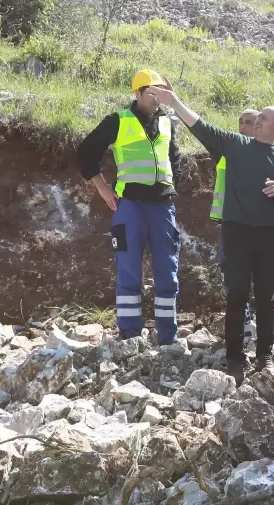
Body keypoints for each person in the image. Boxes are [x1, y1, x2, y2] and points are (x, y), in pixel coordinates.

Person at [154, 87, 274, 383]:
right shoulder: (235, 144)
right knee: (237, 295)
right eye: (257, 118)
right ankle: (234, 359)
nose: (257, 121)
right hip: (237, 234)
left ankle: (264, 356)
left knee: (267, 297)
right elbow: (201, 127)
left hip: (270, 236)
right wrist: (174, 101)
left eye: (264, 119)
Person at [76, 69, 183, 345]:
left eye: (161, 91)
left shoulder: (168, 122)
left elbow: (174, 158)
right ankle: (129, 335)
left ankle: (168, 337)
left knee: (167, 272)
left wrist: (171, 187)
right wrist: (103, 188)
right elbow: (86, 153)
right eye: (152, 91)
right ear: (137, 93)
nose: (157, 96)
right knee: (129, 271)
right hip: (131, 207)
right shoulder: (118, 120)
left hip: (162, 208)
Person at [212, 109, 274, 344]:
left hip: (265, 231)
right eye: (241, 122)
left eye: (253, 121)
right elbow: (202, 128)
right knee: (236, 289)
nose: (246, 126)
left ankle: (270, 339)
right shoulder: (232, 148)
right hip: (234, 227)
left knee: (267, 290)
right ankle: (239, 341)